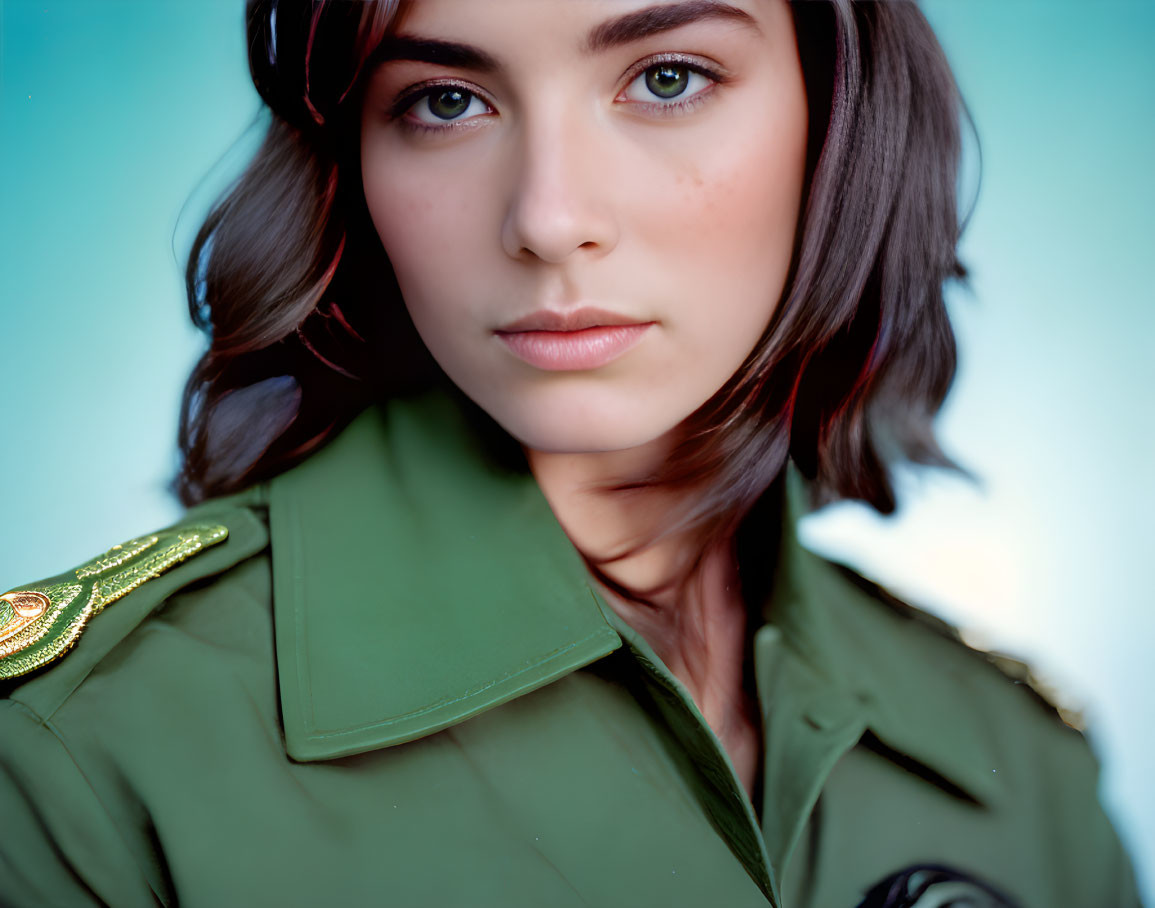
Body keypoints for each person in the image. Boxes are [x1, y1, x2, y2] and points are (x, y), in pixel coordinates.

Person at [0, 0, 1141, 905]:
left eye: (666, 77)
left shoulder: (1017, 763)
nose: (548, 217)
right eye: (445, 99)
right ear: (349, 154)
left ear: (841, 113)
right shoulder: (76, 757)